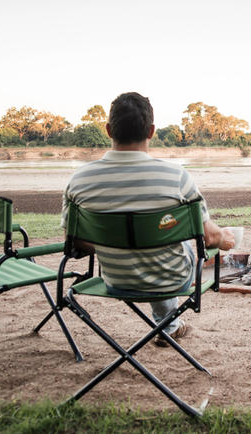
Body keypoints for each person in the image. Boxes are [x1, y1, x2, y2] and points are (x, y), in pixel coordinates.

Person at [61, 92, 235, 346]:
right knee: (178, 242)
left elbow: (75, 242)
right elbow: (208, 237)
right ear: (152, 131)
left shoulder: (79, 180)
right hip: (172, 279)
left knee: (157, 242)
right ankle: (169, 325)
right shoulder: (176, 177)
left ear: (109, 130)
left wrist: (115, 243)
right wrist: (224, 238)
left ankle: (169, 325)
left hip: (115, 280)